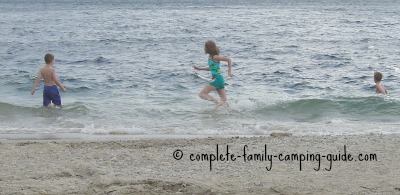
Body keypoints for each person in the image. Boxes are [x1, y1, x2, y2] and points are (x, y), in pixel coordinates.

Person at [193, 40, 233, 109]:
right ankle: (231, 113)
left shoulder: (215, 57)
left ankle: (217, 102)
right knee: (225, 102)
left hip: (217, 79)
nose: (204, 49)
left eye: (205, 47)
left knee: (202, 94)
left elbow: (228, 59)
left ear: (208, 48)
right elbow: (211, 68)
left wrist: (229, 72)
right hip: (220, 80)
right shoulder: (210, 57)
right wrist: (199, 68)